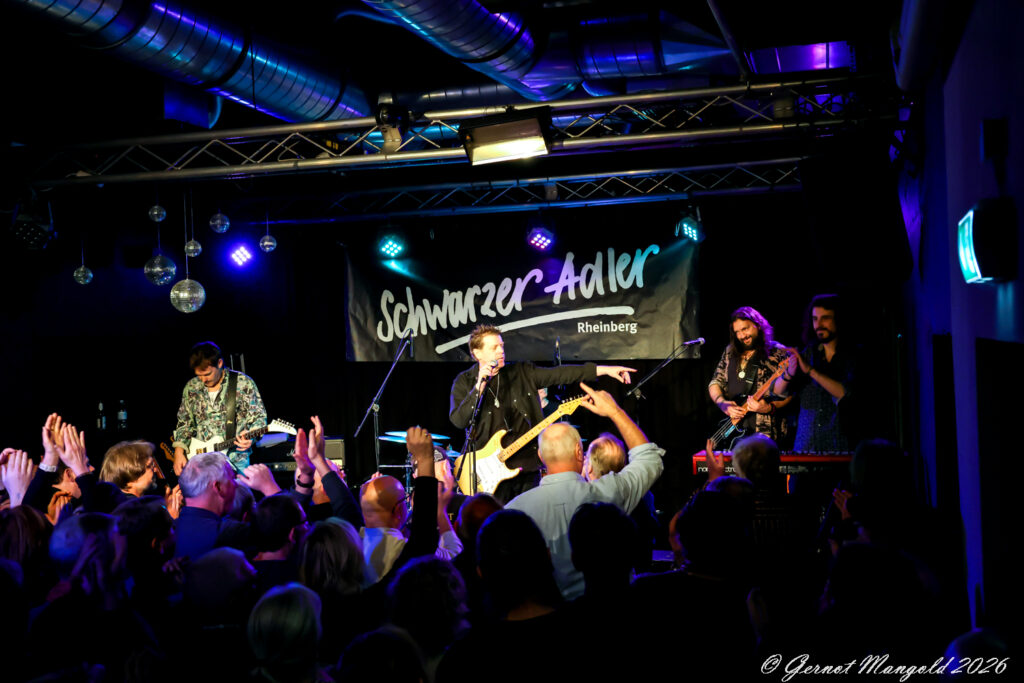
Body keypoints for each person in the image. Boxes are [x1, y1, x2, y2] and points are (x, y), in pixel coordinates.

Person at [505, 382, 664, 600]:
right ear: (579, 452)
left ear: (541, 457)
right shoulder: (608, 494)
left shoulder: (515, 511)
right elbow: (649, 459)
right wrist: (615, 412)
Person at [449, 324, 636, 503]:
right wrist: (478, 388)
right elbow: (458, 421)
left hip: (527, 468)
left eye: (501, 346)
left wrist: (603, 370)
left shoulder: (522, 373)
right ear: (477, 353)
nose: (500, 351)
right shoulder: (464, 382)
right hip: (489, 475)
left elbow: (561, 373)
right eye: (494, 347)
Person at [773, 294, 857, 451]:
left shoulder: (852, 356)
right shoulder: (808, 354)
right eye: (815, 319)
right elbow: (778, 391)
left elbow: (846, 393)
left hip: (839, 444)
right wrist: (789, 373)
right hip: (807, 445)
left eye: (825, 318)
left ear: (838, 319)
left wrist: (811, 371)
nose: (819, 324)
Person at [172, 341, 267, 475]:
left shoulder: (243, 383)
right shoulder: (192, 387)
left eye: (207, 374)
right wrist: (179, 452)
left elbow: (259, 418)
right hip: (200, 461)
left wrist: (251, 438)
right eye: (199, 375)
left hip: (235, 460)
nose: (203, 380)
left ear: (220, 363)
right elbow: (185, 423)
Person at [708, 307, 791, 446]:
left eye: (745, 329)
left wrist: (769, 408)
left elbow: (793, 394)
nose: (742, 336)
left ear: (758, 325)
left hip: (766, 434)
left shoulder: (779, 352)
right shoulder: (730, 351)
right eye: (737, 332)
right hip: (735, 434)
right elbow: (715, 382)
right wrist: (722, 404)